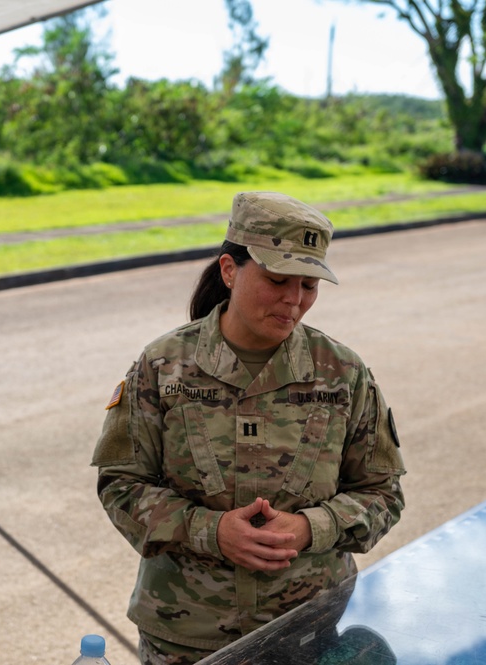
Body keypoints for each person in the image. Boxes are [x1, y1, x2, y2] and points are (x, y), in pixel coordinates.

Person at [92, 191, 406, 665]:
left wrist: (309, 527)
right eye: (278, 279)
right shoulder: (164, 366)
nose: (294, 301)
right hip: (187, 638)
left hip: (306, 633)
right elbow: (121, 485)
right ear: (229, 269)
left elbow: (383, 493)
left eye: (308, 286)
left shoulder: (343, 373)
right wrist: (210, 530)